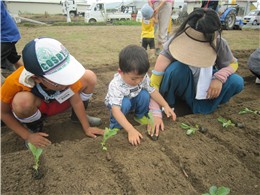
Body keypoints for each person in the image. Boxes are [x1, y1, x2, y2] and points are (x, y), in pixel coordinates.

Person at [149, 8, 244, 136]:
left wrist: (219, 78)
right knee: (176, 69)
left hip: (206, 88)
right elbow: (153, 83)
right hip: (184, 85)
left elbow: (234, 63)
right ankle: (172, 105)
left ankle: (205, 105)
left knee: (236, 81)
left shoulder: (219, 43)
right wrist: (155, 113)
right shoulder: (174, 43)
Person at [1, 37, 103, 148]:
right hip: (39, 107)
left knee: (89, 76)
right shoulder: (14, 82)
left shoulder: (66, 76)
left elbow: (76, 100)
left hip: (61, 102)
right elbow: (3, 112)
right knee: (22, 102)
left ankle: (76, 117)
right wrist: (27, 136)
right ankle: (34, 127)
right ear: (37, 78)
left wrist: (86, 127)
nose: (67, 83)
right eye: (58, 81)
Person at [105, 45, 176, 146]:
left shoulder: (143, 77)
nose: (138, 81)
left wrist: (165, 105)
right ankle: (115, 126)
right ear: (120, 72)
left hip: (133, 97)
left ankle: (139, 116)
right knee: (124, 104)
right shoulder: (116, 85)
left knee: (145, 94)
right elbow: (115, 110)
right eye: (133, 79)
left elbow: (153, 92)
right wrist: (130, 130)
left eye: (141, 77)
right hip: (118, 104)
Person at [1, 1, 24, 82]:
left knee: (13, 59)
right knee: (13, 58)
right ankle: (29, 77)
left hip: (5, 36)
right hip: (8, 34)